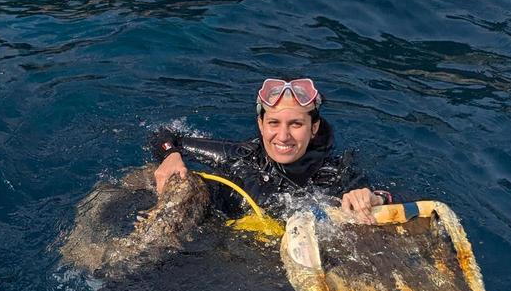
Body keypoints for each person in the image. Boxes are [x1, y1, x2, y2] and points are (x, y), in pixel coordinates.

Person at [149, 78, 391, 222]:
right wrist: (171, 155)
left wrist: (373, 198)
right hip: (220, 240)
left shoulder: (336, 174)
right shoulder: (240, 157)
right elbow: (164, 135)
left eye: (296, 124)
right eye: (274, 123)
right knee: (178, 183)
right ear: (261, 125)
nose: (283, 136)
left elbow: (391, 196)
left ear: (314, 127)